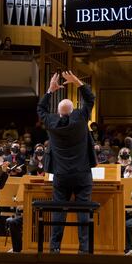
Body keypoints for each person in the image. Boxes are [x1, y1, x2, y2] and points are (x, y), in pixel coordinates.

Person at [37, 71, 96, 254]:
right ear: (72, 112)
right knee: (83, 212)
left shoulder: (52, 122)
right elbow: (90, 99)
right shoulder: (80, 118)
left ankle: (54, 248)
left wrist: (50, 91)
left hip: (61, 175)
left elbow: (41, 109)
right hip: (82, 174)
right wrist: (77, 82)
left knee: (58, 212)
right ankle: (84, 250)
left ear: (58, 113)